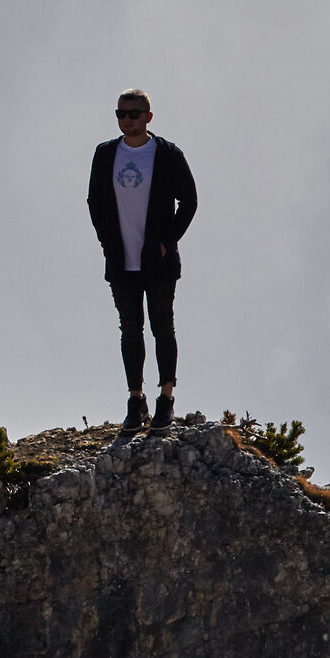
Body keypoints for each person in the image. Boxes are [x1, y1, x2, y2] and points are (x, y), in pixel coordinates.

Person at [87, 89, 197, 432]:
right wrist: (108, 243)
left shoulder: (166, 154)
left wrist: (167, 241)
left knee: (163, 326)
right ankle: (136, 400)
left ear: (148, 116)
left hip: (159, 263)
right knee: (130, 331)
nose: (126, 120)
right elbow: (94, 202)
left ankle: (166, 399)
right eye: (120, 114)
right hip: (122, 261)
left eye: (133, 114)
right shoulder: (106, 155)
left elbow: (189, 201)